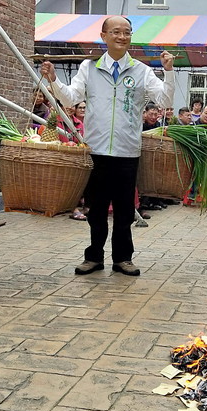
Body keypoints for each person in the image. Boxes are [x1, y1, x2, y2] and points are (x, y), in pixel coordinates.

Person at [41, 15, 175, 276]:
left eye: (127, 32)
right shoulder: (89, 68)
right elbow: (70, 96)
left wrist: (167, 71)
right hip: (97, 151)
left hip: (127, 151)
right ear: (103, 36)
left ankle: (123, 258)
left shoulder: (141, 70)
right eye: (116, 32)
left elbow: (164, 98)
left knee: (125, 210)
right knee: (96, 209)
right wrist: (55, 80)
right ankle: (93, 257)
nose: (122, 37)